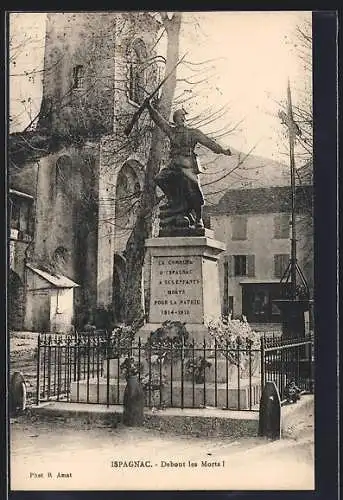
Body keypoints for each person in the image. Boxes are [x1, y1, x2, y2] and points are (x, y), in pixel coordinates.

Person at [145, 99, 233, 229]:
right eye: (180, 117)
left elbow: (208, 142)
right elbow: (159, 120)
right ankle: (176, 203)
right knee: (160, 178)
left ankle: (198, 219)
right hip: (174, 164)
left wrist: (222, 150)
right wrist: (149, 107)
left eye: (183, 117)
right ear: (175, 119)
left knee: (194, 189)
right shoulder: (172, 131)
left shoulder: (193, 133)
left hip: (188, 164)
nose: (182, 119)